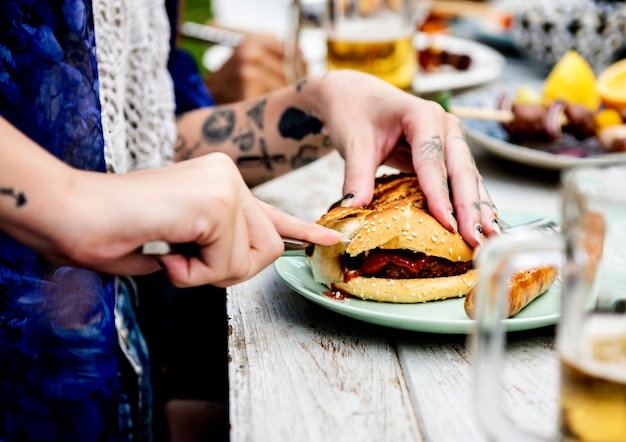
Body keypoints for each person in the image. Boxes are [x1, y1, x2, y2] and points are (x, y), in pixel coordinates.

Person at [0, 1, 499, 441]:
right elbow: (83, 185)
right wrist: (70, 203)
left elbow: (131, 142)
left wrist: (318, 104)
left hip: (126, 388)